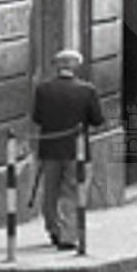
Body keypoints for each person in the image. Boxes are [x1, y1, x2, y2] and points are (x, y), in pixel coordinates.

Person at [31, 45, 105, 251]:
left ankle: (53, 229)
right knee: (72, 192)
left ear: (57, 67)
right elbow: (97, 120)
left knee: (50, 192)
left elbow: (37, 118)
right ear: (76, 66)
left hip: (50, 148)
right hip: (76, 150)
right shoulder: (87, 90)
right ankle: (68, 235)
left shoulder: (43, 89)